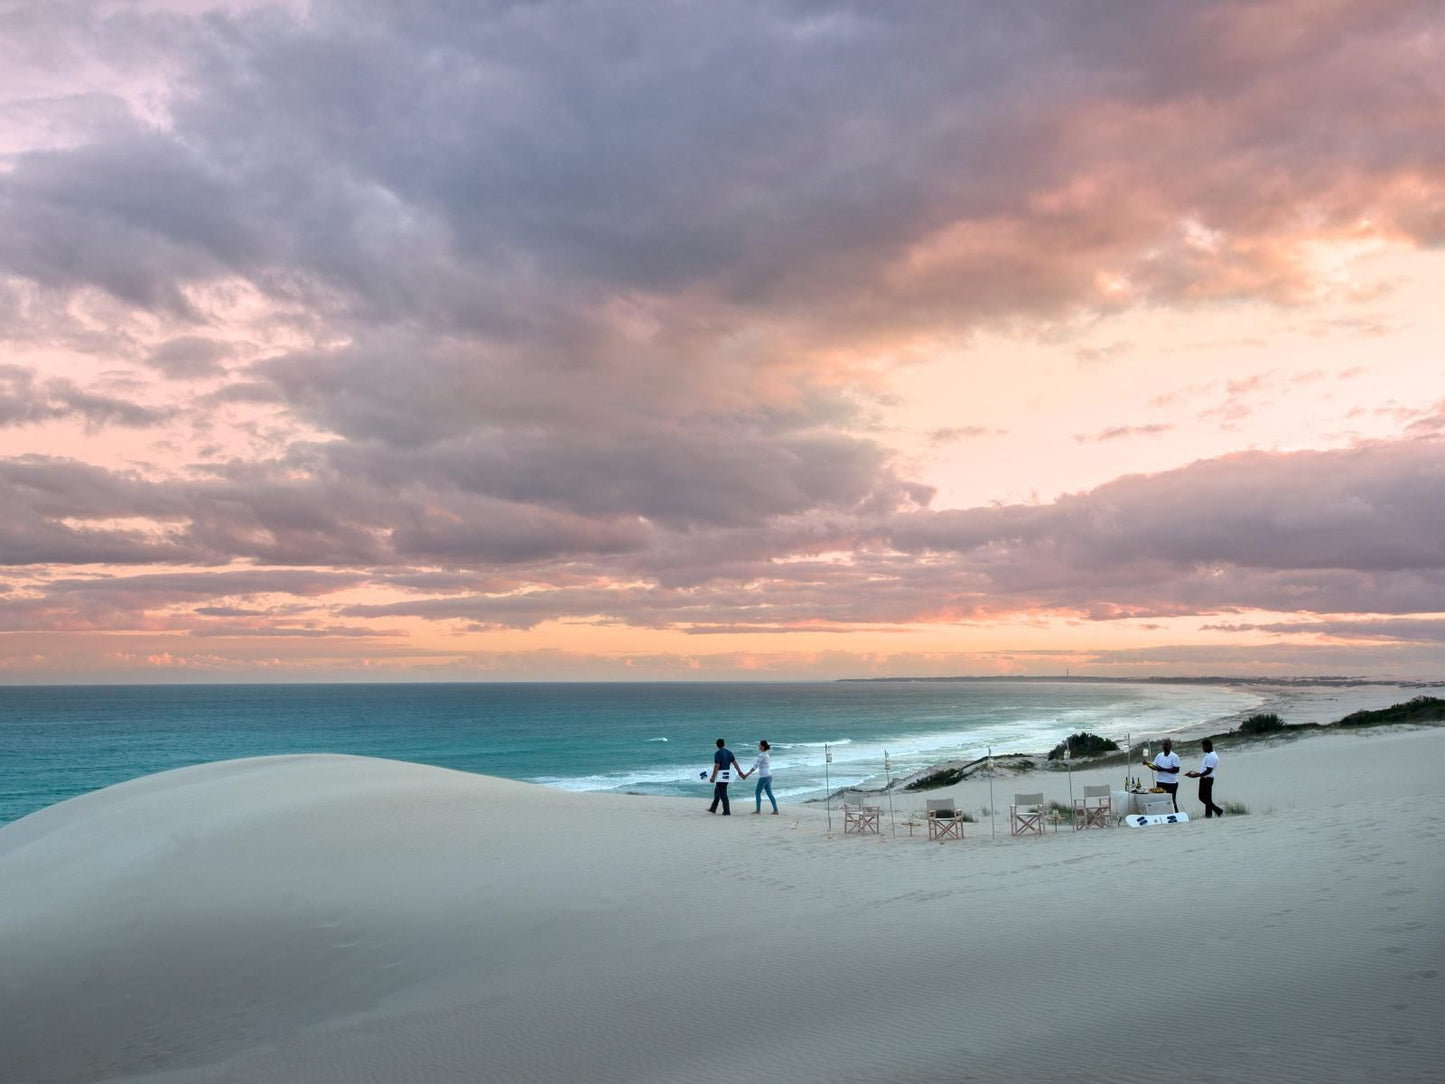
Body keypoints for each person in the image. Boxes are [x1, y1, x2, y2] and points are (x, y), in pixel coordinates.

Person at [1185, 738, 1224, 818]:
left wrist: (1197, 775)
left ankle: (1218, 810)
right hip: (1205, 778)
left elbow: (1209, 771)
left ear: (1208, 746)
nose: (1203, 748)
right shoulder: (1208, 755)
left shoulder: (1212, 756)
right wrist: (1195, 773)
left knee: (1202, 797)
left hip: (1207, 779)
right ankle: (1208, 815)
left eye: (1204, 747)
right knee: (1207, 798)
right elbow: (1205, 769)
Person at [1144, 737, 1182, 812]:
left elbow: (1176, 770)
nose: (1164, 746)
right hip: (1160, 782)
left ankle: (1176, 815)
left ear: (1170, 746)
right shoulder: (1159, 755)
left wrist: (1163, 769)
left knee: (1171, 801)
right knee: (1161, 800)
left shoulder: (1174, 756)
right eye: (1164, 745)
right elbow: (1155, 767)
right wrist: (1147, 764)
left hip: (1171, 783)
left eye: (1166, 745)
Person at [741, 740, 777, 815]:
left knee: (757, 792)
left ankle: (758, 810)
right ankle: (775, 810)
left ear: (762, 746)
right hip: (769, 776)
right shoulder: (767, 754)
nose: (758, 746)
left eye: (759, 745)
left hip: (764, 776)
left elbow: (755, 766)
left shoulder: (762, 755)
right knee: (769, 793)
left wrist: (747, 774)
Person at [708, 738, 738, 815]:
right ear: (724, 744)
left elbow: (717, 766)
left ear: (717, 745)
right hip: (727, 776)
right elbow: (735, 763)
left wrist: (713, 777)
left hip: (720, 776)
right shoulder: (729, 753)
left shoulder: (718, 753)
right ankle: (713, 808)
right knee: (717, 791)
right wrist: (740, 772)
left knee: (723, 793)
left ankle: (727, 811)